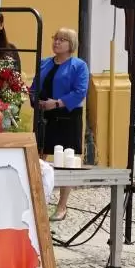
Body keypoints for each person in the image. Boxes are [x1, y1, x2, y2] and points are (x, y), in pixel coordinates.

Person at [31, 27, 89, 221]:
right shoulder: (44, 63)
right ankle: (37, 201)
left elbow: (80, 91)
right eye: (55, 38)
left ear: (71, 45)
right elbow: (34, 87)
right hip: (44, 116)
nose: (57, 42)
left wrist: (56, 103)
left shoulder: (79, 65)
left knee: (66, 162)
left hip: (66, 117)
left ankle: (62, 205)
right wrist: (35, 100)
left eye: (62, 40)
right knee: (37, 158)